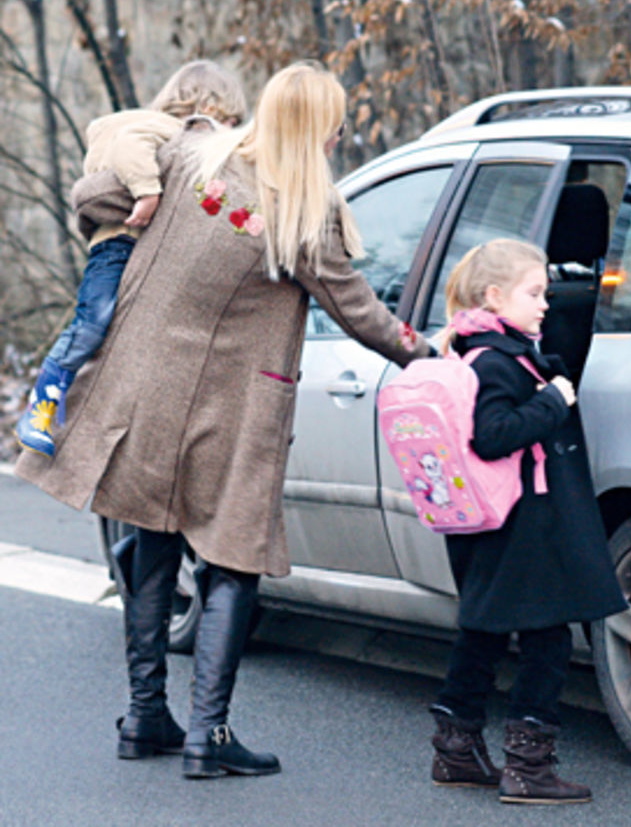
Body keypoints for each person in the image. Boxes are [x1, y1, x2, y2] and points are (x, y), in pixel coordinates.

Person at [15, 61, 434, 779]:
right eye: (335, 121)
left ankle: (145, 714)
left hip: (146, 385)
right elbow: (357, 309)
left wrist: (124, 213)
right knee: (233, 557)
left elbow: (98, 191)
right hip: (235, 406)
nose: (340, 132)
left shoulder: (189, 156)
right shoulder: (306, 210)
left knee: (150, 537)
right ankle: (208, 734)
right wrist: (423, 350)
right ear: (318, 127)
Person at [429, 238, 626, 805]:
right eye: (533, 293)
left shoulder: (480, 351)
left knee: (484, 631)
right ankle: (528, 767)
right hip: (525, 524)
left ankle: (457, 751)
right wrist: (553, 402)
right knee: (547, 639)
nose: (545, 303)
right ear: (495, 296)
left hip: (498, 524)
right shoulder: (495, 360)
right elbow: (492, 436)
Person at [15, 60, 248, 457]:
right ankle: (41, 405)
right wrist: (146, 192)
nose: (231, 132)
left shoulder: (183, 142)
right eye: (231, 121)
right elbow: (128, 148)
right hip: (117, 245)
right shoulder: (165, 129)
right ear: (208, 107)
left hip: (145, 250)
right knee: (94, 322)